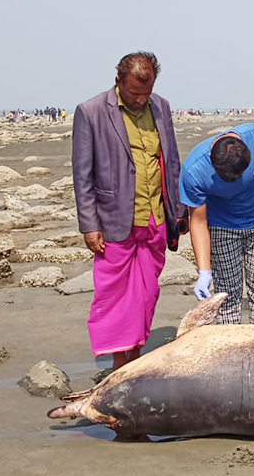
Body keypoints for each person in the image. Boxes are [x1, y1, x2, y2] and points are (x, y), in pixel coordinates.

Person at [72, 51, 188, 370]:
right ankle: (120, 365)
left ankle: (134, 358)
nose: (141, 101)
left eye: (146, 94)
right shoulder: (91, 112)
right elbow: (82, 175)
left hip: (155, 217)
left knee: (147, 294)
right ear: (119, 83)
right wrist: (89, 225)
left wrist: (179, 210)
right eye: (135, 94)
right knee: (115, 296)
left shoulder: (161, 107)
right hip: (114, 220)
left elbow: (172, 160)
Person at [179, 123, 254, 324]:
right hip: (222, 226)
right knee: (227, 294)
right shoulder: (194, 171)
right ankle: (231, 346)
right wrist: (204, 270)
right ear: (212, 161)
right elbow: (198, 222)